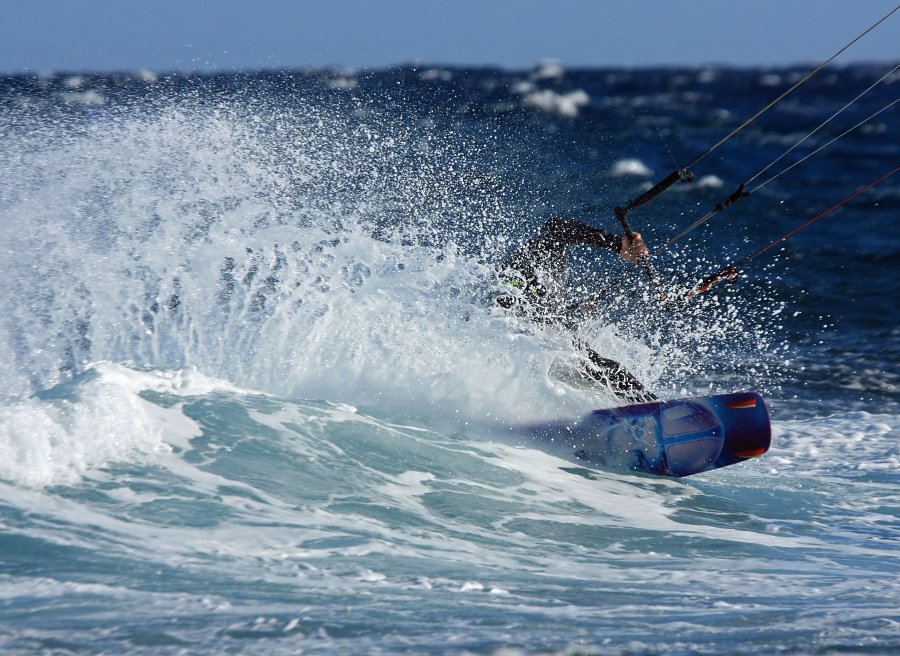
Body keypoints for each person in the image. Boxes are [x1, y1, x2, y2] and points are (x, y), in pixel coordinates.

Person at [496, 217, 658, 404]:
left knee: (598, 370)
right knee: (590, 366)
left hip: (542, 336)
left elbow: (556, 226)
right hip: (511, 344)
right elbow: (555, 228)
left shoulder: (550, 253)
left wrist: (618, 245)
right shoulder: (522, 267)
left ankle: (648, 407)